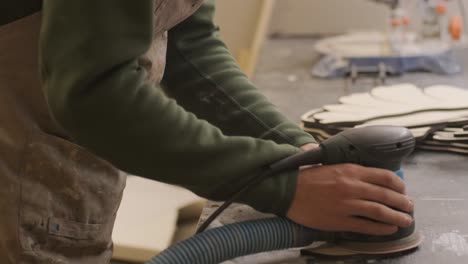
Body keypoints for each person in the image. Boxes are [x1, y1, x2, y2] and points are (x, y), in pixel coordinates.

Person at [0, 0, 413, 263]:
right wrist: (282, 187)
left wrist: (295, 149)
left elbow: (186, 42)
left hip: (61, 147)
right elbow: (95, 95)